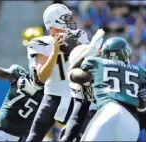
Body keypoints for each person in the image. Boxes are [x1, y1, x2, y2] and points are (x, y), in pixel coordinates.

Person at [68, 37, 146, 141]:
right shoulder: (141, 72)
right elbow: (143, 107)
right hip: (132, 124)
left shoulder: (96, 62)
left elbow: (71, 73)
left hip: (109, 111)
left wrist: (90, 52)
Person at [26, 3, 89, 141]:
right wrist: (54, 53)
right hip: (53, 96)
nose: (69, 22)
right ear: (54, 24)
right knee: (35, 136)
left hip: (74, 95)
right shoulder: (39, 43)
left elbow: (87, 64)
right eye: (65, 19)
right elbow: (41, 77)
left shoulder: (78, 35)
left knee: (82, 135)